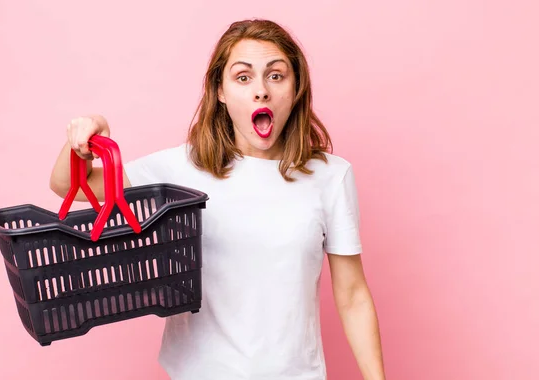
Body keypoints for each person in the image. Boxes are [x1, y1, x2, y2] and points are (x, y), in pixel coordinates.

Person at [50, 18, 385, 380]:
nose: (261, 91)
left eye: (275, 76)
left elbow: (352, 296)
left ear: (296, 86)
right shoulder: (182, 166)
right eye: (243, 77)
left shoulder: (331, 176)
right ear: (221, 91)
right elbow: (66, 183)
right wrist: (86, 133)